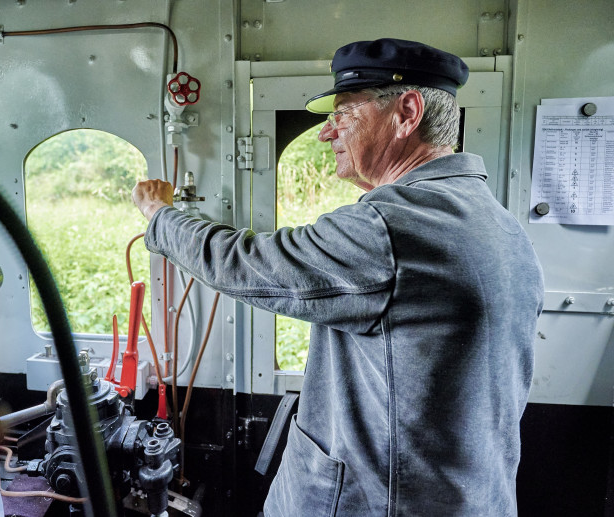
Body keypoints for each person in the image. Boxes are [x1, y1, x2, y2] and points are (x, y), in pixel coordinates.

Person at [132, 38, 543, 516]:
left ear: (406, 112)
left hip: (375, 501)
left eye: (343, 114)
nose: (326, 134)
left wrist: (160, 216)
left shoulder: (391, 227)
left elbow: (245, 262)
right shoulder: (497, 222)